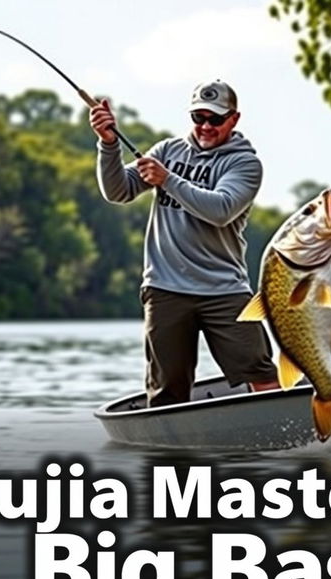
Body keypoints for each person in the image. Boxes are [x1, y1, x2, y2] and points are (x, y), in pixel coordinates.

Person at [89, 80, 279, 407]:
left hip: (224, 290)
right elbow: (118, 192)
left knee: (259, 371)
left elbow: (220, 210)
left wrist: (168, 180)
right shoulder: (167, 151)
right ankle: (171, 449)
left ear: (233, 119)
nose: (205, 126)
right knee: (167, 389)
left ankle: (285, 430)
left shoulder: (245, 164)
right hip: (165, 288)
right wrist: (108, 145)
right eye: (198, 117)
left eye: (215, 119)